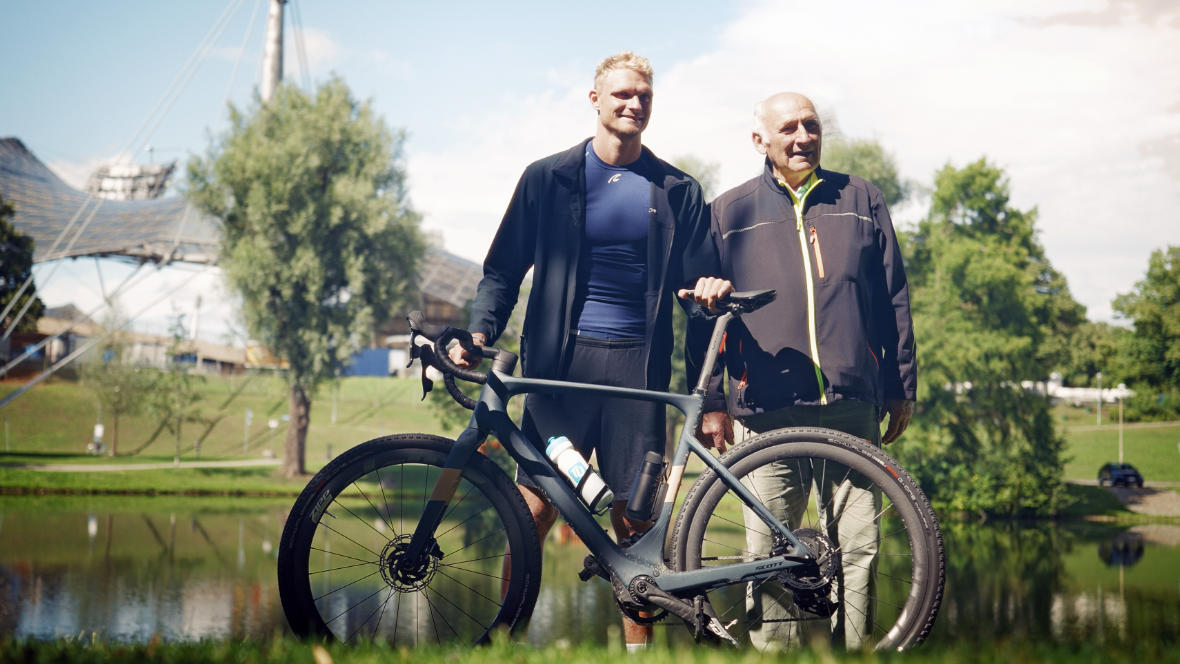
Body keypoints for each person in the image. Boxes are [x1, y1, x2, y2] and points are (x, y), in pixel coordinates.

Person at [450, 51, 714, 651]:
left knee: (636, 526)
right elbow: (502, 269)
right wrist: (480, 332)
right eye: (622, 94)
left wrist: (714, 391)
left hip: (637, 374)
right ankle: (506, 642)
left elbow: (701, 299)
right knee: (532, 514)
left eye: (644, 96)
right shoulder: (548, 178)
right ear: (594, 99)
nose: (634, 104)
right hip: (559, 373)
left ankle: (638, 653)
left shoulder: (677, 190)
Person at [682, 91, 916, 649]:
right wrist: (712, 401)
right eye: (788, 127)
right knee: (766, 553)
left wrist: (900, 385)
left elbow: (893, 301)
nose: (802, 136)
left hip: (851, 403)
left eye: (811, 125)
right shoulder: (728, 211)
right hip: (765, 410)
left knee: (859, 547)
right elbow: (699, 315)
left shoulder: (861, 198)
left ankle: (855, 654)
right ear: (760, 139)